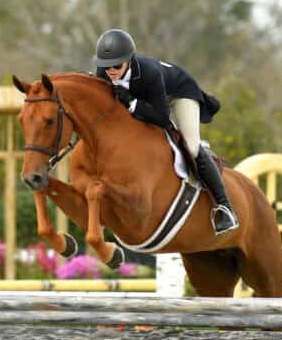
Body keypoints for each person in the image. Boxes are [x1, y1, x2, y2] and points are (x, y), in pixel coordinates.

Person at [92, 28, 239, 235]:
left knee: (191, 146)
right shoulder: (104, 74)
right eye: (106, 66)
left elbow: (162, 118)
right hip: (150, 99)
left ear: (129, 60)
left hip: (178, 94)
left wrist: (132, 103)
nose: (111, 71)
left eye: (117, 65)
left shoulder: (148, 73)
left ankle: (225, 208)